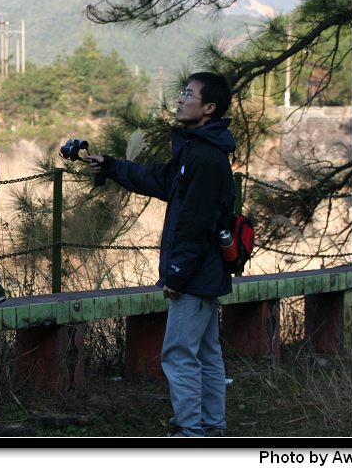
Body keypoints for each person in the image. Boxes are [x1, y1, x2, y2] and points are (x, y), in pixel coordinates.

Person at [88, 72, 235, 437]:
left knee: (180, 354)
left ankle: (190, 431)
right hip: (204, 271)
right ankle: (211, 427)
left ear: (209, 108)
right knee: (206, 353)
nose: (180, 99)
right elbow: (160, 179)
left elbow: (195, 223)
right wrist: (112, 166)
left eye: (189, 94)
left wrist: (176, 275)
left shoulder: (204, 157)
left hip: (194, 274)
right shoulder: (196, 149)